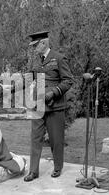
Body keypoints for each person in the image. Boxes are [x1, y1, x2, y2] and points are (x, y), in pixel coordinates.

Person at [23, 30, 74, 182]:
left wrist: (53, 93)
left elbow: (68, 81)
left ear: (43, 43)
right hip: (37, 105)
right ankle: (33, 171)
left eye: (35, 45)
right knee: (35, 138)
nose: (33, 48)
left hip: (55, 106)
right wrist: (10, 88)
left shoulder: (59, 58)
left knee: (56, 139)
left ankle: (58, 167)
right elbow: (28, 78)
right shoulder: (35, 60)